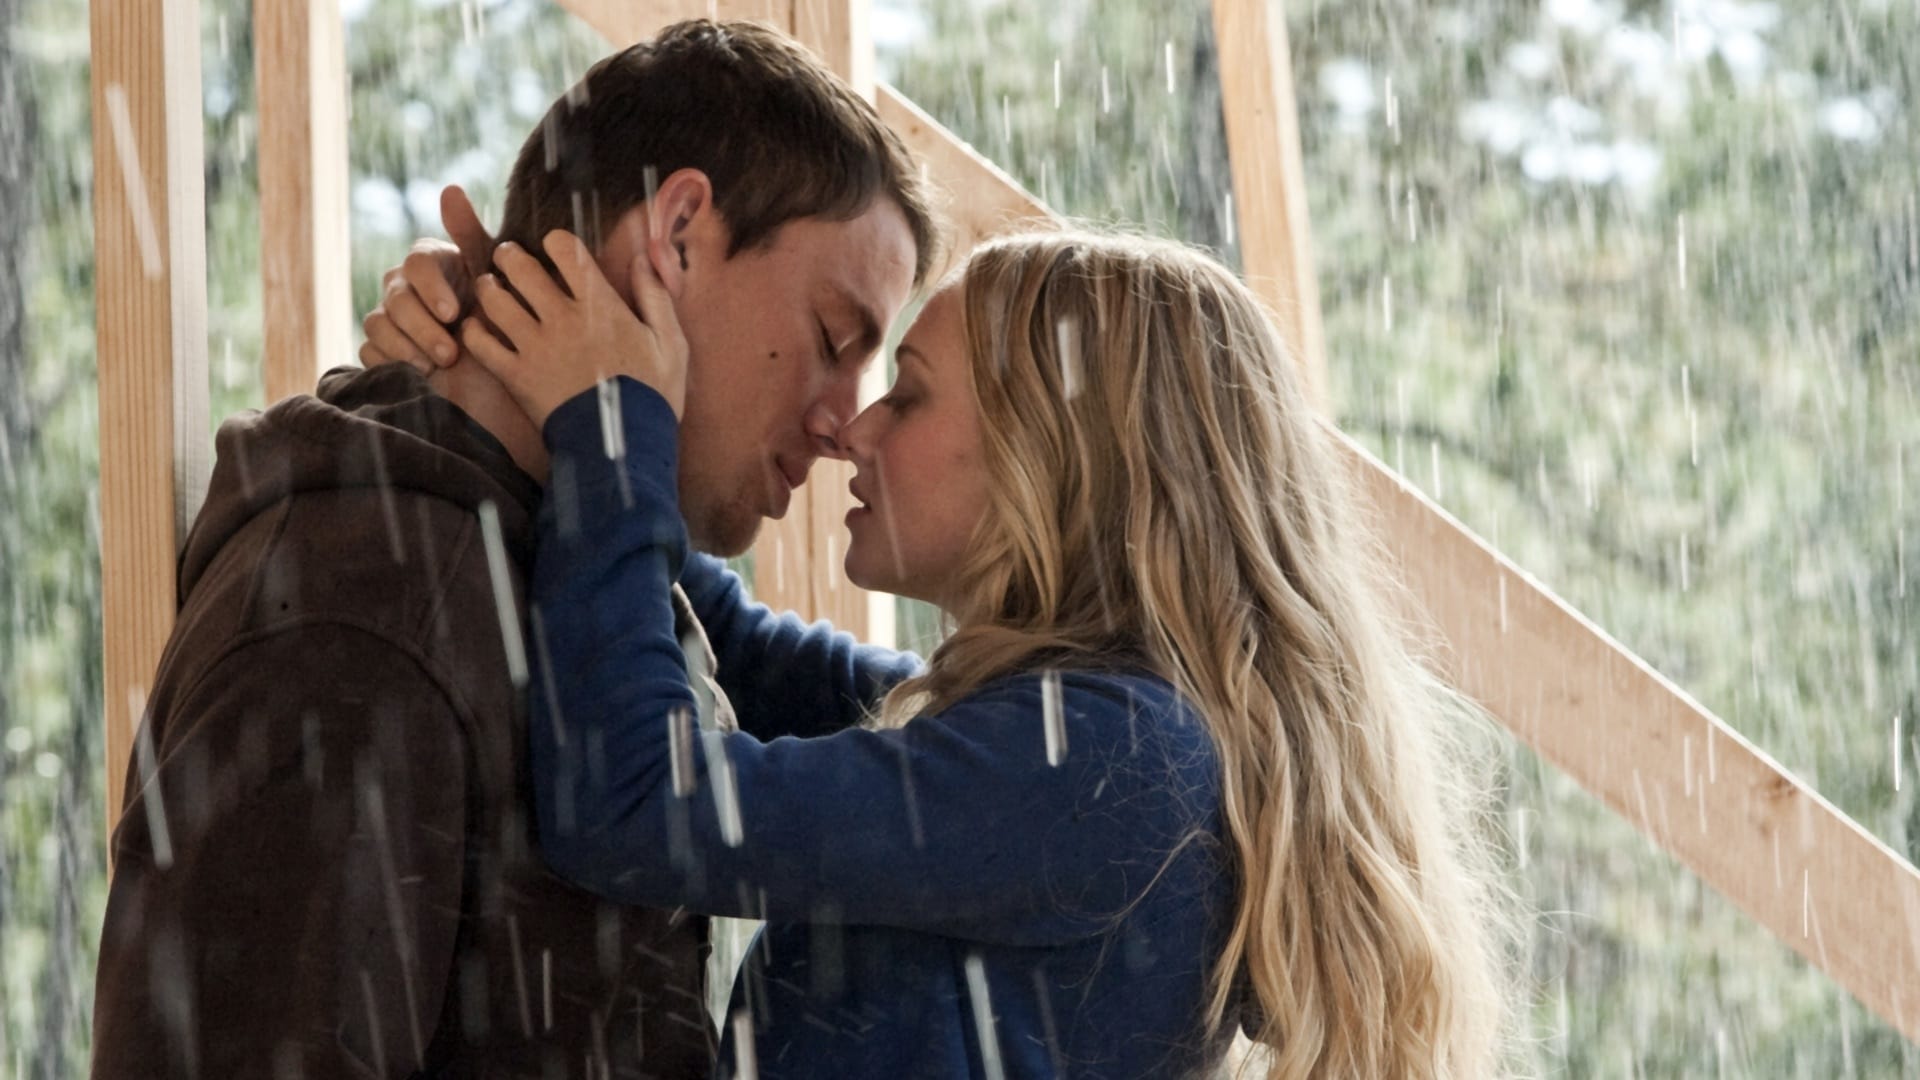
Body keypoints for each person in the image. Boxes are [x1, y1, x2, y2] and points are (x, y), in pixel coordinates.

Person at [431, 225, 1524, 1078]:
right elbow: (742, 657)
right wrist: (534, 407)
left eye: (907, 394)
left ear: (1057, 459)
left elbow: (634, 803)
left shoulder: (1099, 761)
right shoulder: (1092, 743)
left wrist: (607, 428)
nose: (854, 429)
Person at [89, 19, 937, 1079]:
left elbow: (916, 727)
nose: (844, 421)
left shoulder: (564, 568)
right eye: (833, 339)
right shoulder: (371, 607)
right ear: (677, 233)